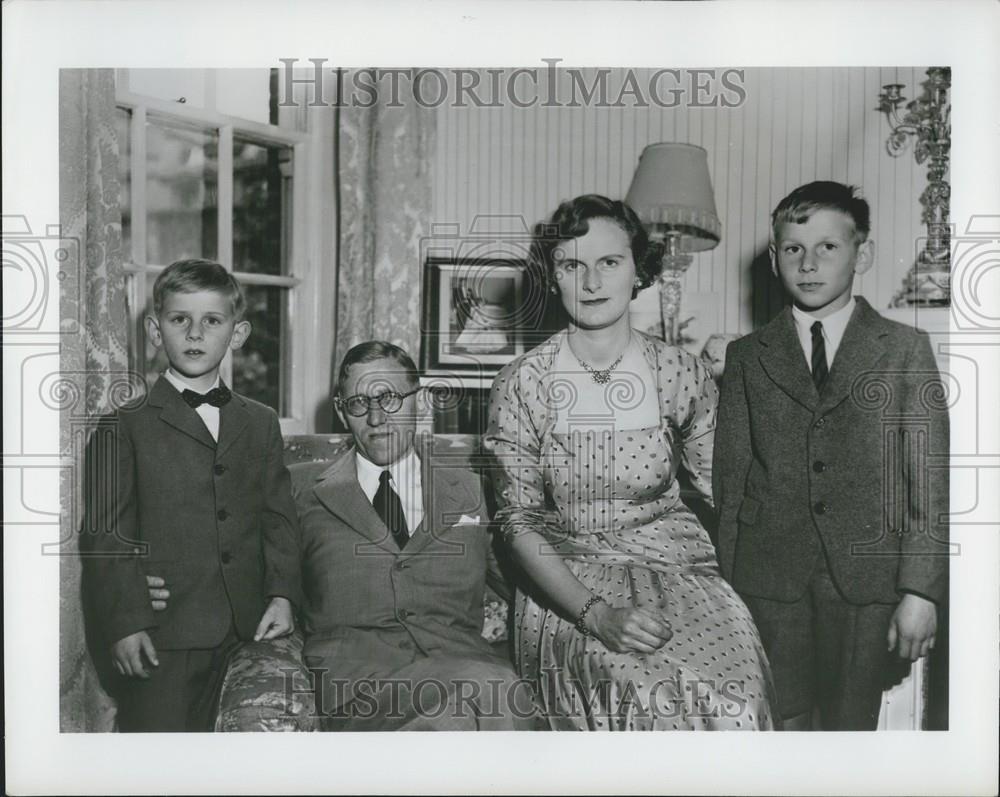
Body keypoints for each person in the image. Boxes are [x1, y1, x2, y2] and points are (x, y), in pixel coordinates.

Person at [484, 194, 776, 730]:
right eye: (573, 265)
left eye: (609, 262)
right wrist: (598, 616)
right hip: (568, 585)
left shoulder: (678, 371)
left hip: (684, 569)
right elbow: (517, 523)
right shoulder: (523, 383)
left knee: (737, 702)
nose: (592, 282)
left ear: (638, 270)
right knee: (646, 697)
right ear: (552, 277)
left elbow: (729, 494)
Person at [713, 181, 949, 730]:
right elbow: (731, 479)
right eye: (794, 248)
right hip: (768, 581)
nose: (809, 263)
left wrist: (920, 590)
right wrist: (728, 588)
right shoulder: (748, 356)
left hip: (869, 584)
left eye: (828, 247)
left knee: (850, 726)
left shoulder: (904, 350)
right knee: (779, 722)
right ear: (774, 259)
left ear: (861, 254)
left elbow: (927, 481)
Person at [82, 259, 302, 732]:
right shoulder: (123, 424)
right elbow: (106, 537)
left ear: (237, 334)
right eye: (180, 320)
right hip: (165, 635)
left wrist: (282, 594)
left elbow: (279, 518)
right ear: (155, 331)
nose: (195, 334)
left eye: (212, 321)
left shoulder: (260, 422)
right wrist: (126, 621)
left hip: (246, 628)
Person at [295, 341, 534, 730]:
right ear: (341, 412)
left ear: (419, 402)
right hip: (362, 691)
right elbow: (247, 575)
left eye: (388, 398)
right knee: (496, 690)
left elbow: (527, 589)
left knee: (452, 724)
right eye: (358, 403)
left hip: (460, 676)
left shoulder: (474, 493)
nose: (375, 417)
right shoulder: (301, 491)